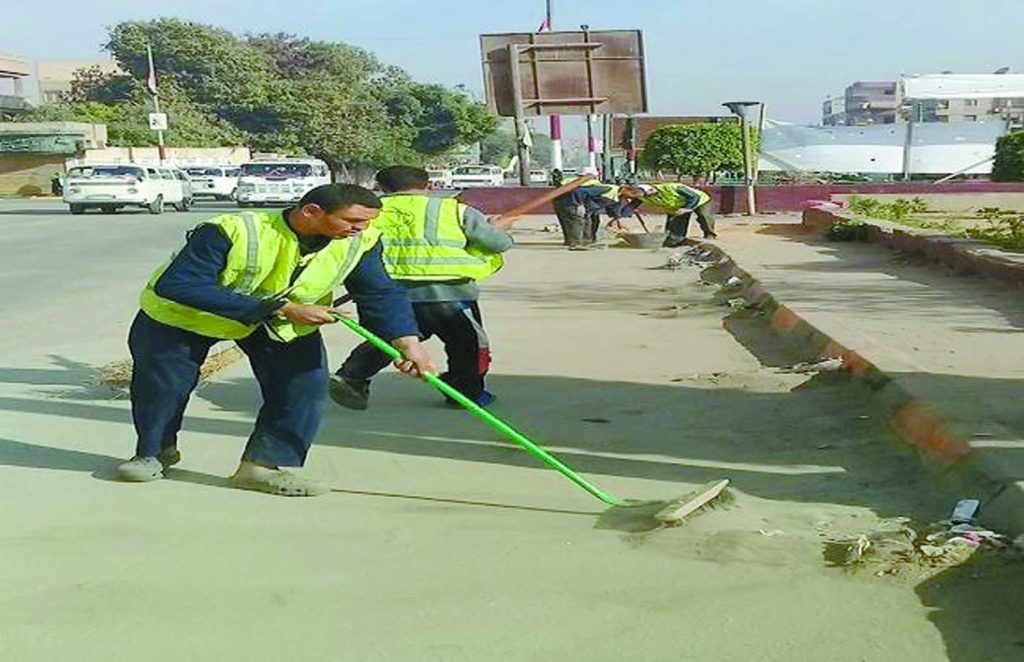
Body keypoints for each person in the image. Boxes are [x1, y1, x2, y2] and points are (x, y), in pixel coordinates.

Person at [117, 183, 437, 497]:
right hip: (184, 317)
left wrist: (408, 343)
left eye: (367, 222)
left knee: (304, 386)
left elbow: (379, 292)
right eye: (353, 221)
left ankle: (261, 467)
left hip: (280, 320)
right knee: (163, 388)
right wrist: (283, 307)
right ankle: (154, 453)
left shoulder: (360, 241)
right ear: (311, 212)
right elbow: (179, 284)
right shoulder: (231, 230)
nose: (361, 229)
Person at [330, 165, 513, 410]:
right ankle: (467, 393)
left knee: (390, 338)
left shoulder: (371, 214)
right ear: (430, 186)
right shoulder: (455, 211)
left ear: (382, 188)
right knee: (466, 345)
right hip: (450, 295)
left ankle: (353, 376)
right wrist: (497, 229)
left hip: (390, 294)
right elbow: (498, 243)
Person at [552, 168, 623, 249]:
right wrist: (580, 205)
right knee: (578, 221)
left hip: (559, 201)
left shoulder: (568, 180)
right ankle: (578, 243)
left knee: (568, 222)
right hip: (572, 202)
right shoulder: (594, 183)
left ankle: (572, 241)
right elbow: (579, 192)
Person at [630, 182, 717, 247]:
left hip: (700, 201)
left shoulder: (671, 187)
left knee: (704, 216)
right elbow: (630, 206)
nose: (647, 196)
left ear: (652, 189)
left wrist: (686, 209)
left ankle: (710, 234)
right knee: (676, 224)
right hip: (677, 206)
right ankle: (676, 240)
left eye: (648, 193)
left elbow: (694, 197)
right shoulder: (643, 196)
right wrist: (619, 216)